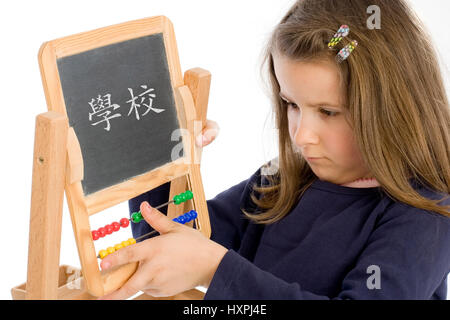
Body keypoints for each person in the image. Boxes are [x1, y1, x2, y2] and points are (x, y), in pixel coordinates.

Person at [99, 0, 450, 299]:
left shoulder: (426, 214)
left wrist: (215, 268)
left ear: (392, 109)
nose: (301, 136)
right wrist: (163, 153)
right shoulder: (279, 183)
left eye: (327, 112)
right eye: (292, 105)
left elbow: (207, 261)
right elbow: (166, 242)